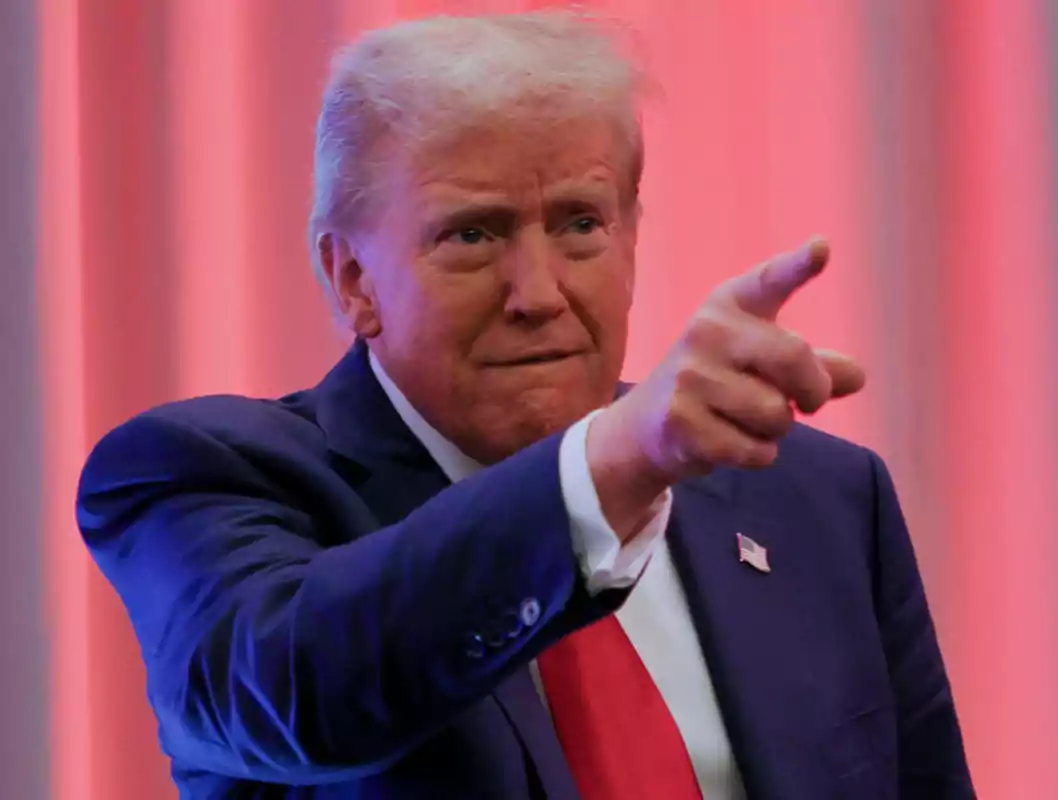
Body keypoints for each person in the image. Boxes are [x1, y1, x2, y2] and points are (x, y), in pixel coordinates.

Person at [77, 11, 973, 799]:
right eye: (474, 234)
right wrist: (608, 469)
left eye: (582, 223)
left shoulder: (817, 498)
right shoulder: (201, 476)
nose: (538, 292)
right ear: (353, 280)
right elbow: (291, 691)